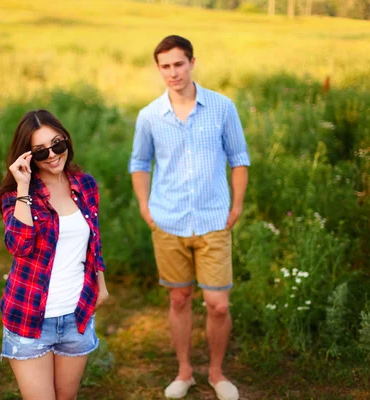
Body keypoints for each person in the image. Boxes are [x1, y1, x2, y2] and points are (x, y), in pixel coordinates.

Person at [129, 35, 250, 400]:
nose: (172, 73)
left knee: (218, 304)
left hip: (214, 220)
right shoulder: (150, 115)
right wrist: (144, 207)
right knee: (179, 299)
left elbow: (239, 157)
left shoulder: (222, 107)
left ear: (192, 62)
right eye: (165, 66)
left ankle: (216, 373)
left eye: (178, 64)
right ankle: (184, 372)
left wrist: (237, 205)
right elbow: (139, 162)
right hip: (168, 221)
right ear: (158, 69)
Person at [0, 109, 109, 400]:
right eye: (40, 150)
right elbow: (20, 246)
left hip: (77, 315)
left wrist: (101, 285)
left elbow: (93, 241)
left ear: (66, 140)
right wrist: (22, 187)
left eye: (57, 144)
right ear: (27, 156)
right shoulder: (16, 196)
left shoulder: (85, 184)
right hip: (30, 317)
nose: (52, 155)